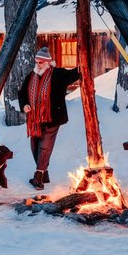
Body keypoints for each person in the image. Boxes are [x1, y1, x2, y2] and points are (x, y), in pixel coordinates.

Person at [18, 46, 80, 189]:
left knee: (45, 146)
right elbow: (22, 93)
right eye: (36, 62)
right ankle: (44, 172)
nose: (37, 64)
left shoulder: (58, 74)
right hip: (34, 119)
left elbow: (75, 74)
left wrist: (83, 58)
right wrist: (25, 105)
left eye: (40, 62)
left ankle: (38, 176)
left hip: (52, 117)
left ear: (47, 62)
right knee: (35, 147)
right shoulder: (31, 76)